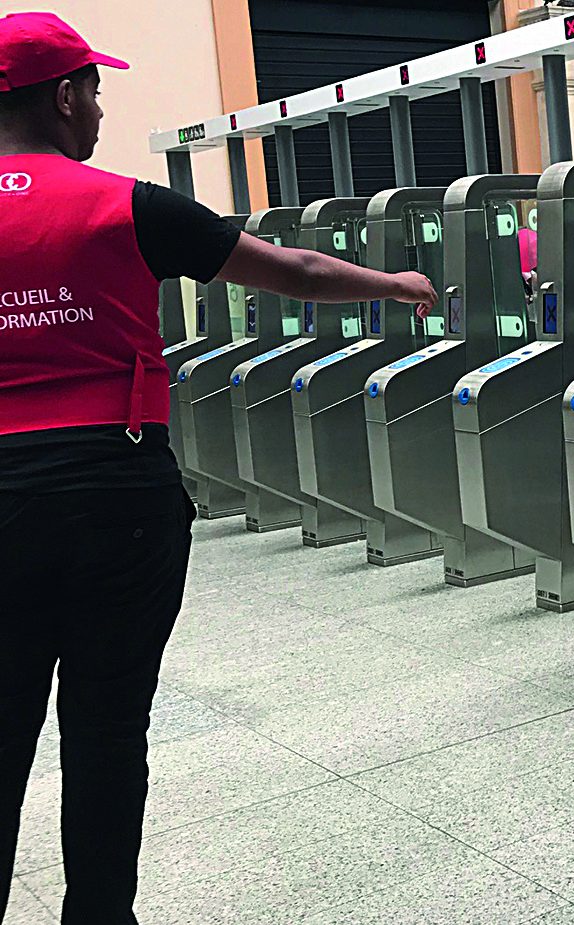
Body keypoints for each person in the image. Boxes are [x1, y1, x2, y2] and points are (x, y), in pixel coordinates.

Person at [0, 13, 437, 923]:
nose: (100, 111)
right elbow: (296, 270)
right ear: (64, 95)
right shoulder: (127, 204)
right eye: (95, 92)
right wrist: (395, 285)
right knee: (107, 727)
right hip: (114, 488)